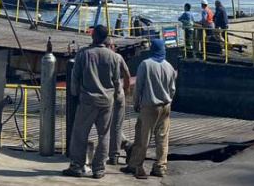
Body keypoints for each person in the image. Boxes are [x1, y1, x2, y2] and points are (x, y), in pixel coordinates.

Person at [63, 24, 121, 179]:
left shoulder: (84, 54)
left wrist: (74, 94)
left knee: (80, 133)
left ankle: (76, 165)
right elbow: (116, 81)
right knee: (104, 135)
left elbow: (75, 77)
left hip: (88, 99)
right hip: (107, 100)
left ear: (94, 36)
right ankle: (99, 169)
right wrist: (117, 96)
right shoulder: (113, 56)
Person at [121, 39, 177, 179]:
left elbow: (138, 87)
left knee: (142, 138)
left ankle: (135, 165)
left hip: (149, 106)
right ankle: (160, 167)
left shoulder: (145, 64)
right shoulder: (169, 66)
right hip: (165, 106)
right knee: (162, 138)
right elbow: (172, 89)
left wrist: (135, 103)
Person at [105, 38, 132, 166]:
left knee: (108, 125)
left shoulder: (100, 56)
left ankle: (115, 153)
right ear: (111, 46)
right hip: (118, 93)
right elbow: (127, 75)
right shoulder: (118, 57)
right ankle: (123, 148)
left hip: (106, 94)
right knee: (115, 125)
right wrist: (125, 91)